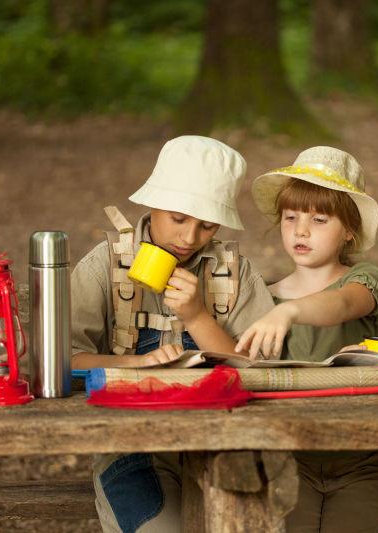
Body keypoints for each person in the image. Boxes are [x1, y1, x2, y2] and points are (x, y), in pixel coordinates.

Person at [71, 135, 275, 533]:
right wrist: (134, 363)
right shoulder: (105, 264)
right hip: (130, 445)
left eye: (206, 226)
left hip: (222, 444)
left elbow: (259, 371)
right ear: (152, 203)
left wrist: (198, 317)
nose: (188, 238)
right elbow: (67, 360)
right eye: (178, 218)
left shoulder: (234, 273)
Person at [236, 146, 378, 532]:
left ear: (350, 231)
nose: (300, 230)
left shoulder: (364, 280)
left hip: (358, 460)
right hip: (288, 460)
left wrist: (289, 311)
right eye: (291, 217)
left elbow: (340, 305)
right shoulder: (265, 296)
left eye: (319, 219)